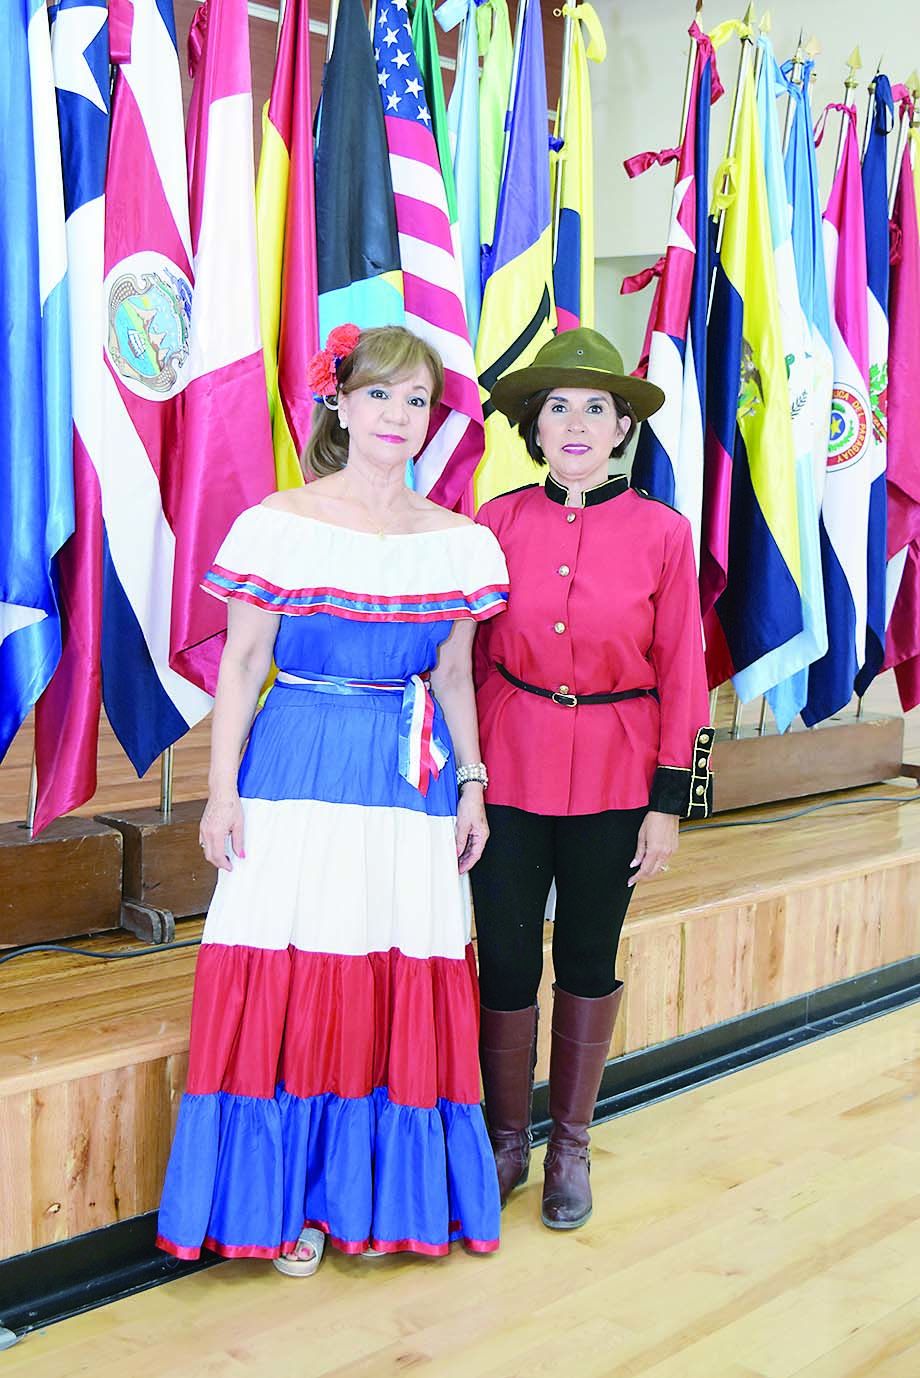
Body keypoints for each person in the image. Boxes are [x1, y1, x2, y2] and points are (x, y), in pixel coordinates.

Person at [157, 324, 507, 1274]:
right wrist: (219, 794)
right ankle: (287, 1204)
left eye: (416, 401)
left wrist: (473, 784)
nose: (398, 416)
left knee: (390, 960)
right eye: (381, 395)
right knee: (295, 966)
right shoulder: (281, 521)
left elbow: (455, 680)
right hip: (299, 763)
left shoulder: (460, 542)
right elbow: (240, 662)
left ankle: (379, 1197)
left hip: (412, 780)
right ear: (341, 403)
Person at [470, 327, 713, 1231]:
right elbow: (470, 658)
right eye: (558, 408)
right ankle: (505, 1139)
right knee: (501, 953)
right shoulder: (494, 522)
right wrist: (465, 778)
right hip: (507, 766)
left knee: (586, 956)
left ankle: (569, 1142)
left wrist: (671, 805)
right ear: (535, 429)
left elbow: (685, 671)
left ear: (621, 429)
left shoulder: (663, 532)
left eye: (596, 408)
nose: (576, 423)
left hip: (618, 772)